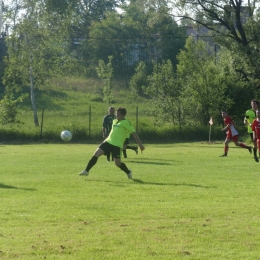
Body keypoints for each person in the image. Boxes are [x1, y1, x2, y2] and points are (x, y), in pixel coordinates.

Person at [79, 107, 145, 179]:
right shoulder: (114, 120)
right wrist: (105, 140)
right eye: (116, 113)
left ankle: (128, 172)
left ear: (123, 115)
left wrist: (140, 145)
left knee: (117, 164)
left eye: (118, 114)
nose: (116, 115)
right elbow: (112, 132)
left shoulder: (126, 122)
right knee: (96, 154)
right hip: (108, 142)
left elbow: (134, 134)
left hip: (117, 145)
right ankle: (86, 171)